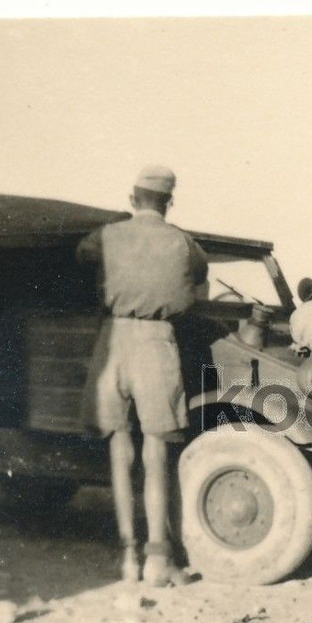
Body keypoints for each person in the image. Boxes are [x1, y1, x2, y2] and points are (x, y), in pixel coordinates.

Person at [78, 165, 208, 586]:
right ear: (169, 202)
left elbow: (82, 255)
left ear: (133, 199)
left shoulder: (107, 235)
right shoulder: (184, 243)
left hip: (113, 340)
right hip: (157, 340)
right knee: (157, 453)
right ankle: (159, 560)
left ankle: (127, 559)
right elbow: (199, 278)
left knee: (119, 449)